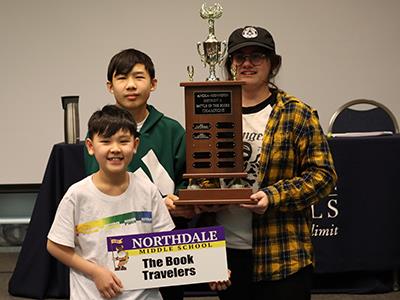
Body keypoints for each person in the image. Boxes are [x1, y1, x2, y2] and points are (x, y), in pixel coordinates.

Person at [208, 26, 337, 300]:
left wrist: (272, 196)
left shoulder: (297, 113)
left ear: (273, 64)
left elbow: (323, 176)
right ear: (229, 64)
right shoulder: (212, 110)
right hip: (228, 252)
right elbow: (202, 171)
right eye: (239, 56)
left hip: (283, 254)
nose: (247, 63)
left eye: (257, 56)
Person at [83, 48, 193, 299]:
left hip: (166, 245)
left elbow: (189, 182)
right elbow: (96, 187)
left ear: (153, 84)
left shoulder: (172, 130)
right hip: (113, 244)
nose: (130, 85)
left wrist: (180, 201)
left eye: (138, 77)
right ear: (110, 86)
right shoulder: (99, 132)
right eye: (122, 78)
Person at [47, 105, 176, 299]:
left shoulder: (148, 189)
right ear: (90, 147)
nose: (115, 149)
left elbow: (168, 243)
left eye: (124, 141)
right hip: (93, 294)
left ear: (135, 145)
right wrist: (95, 272)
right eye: (106, 141)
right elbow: (55, 245)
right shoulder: (77, 194)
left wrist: (211, 268)